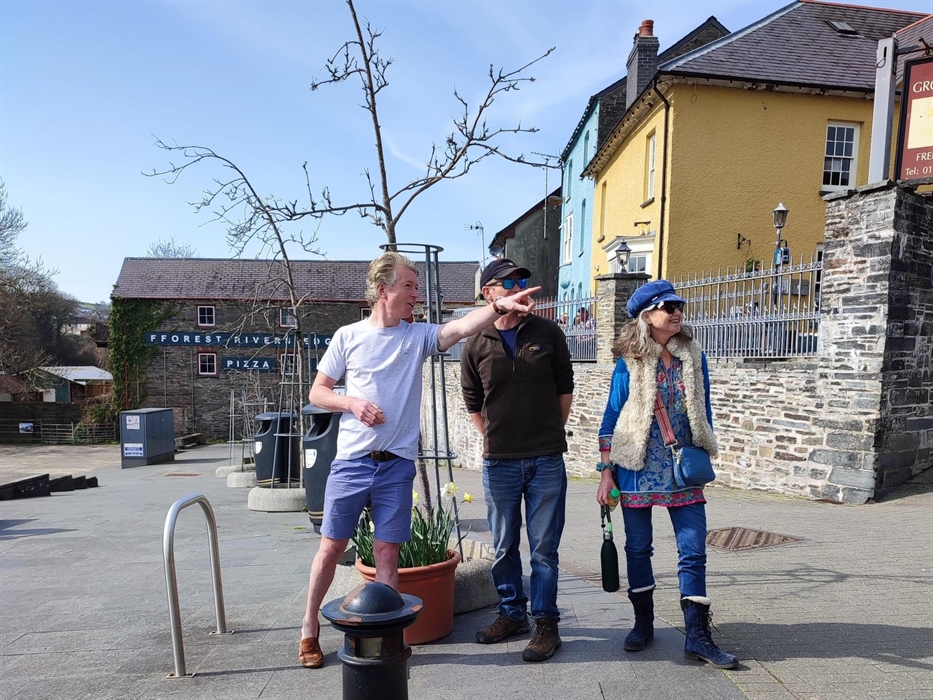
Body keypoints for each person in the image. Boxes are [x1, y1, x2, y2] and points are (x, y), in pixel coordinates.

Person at [298, 251, 539, 669]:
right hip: (353, 461)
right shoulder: (348, 336)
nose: (417, 295)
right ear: (383, 289)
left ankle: (386, 639)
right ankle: (308, 630)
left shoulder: (418, 336)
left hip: (396, 464)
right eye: (409, 286)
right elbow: (317, 393)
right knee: (331, 547)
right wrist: (351, 403)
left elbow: (460, 327)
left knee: (387, 555)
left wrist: (498, 306)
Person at [596, 279, 738, 669]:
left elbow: (702, 411)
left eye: (679, 305)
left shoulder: (694, 356)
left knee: (693, 551)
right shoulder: (628, 362)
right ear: (647, 316)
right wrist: (605, 473)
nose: (677, 311)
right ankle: (643, 623)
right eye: (667, 306)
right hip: (636, 469)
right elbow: (611, 418)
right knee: (638, 549)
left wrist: (703, 449)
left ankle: (698, 636)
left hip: (681, 470)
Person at [461, 258, 574, 663]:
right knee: (505, 545)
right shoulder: (476, 342)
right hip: (500, 462)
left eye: (522, 279)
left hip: (545, 459)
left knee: (544, 548)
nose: (517, 285)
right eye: (507, 281)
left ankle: (545, 623)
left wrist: (548, 435)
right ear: (488, 292)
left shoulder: (547, 332)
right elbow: (473, 401)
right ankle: (512, 614)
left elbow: (565, 387)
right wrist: (493, 435)